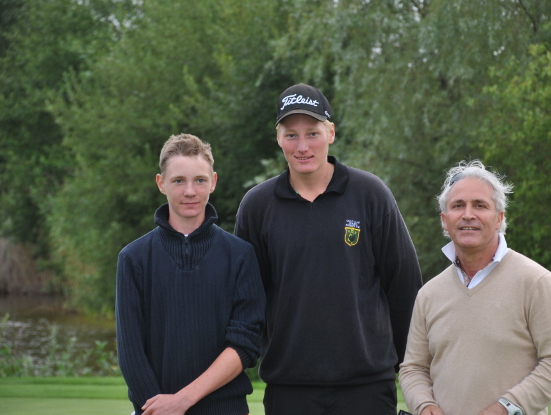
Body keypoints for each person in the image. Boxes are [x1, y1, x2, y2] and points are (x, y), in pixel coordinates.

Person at [235, 83, 423, 415]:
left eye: (313, 133)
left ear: (331, 132)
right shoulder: (257, 206)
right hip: (289, 388)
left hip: (367, 387)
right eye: (291, 135)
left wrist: (409, 368)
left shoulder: (370, 194)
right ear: (278, 138)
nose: (302, 146)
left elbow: (404, 287)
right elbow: (249, 298)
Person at [399, 160, 551, 415]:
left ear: (499, 218)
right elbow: (413, 368)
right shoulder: (429, 294)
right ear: (444, 220)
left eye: (480, 205)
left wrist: (506, 408)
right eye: (458, 206)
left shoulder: (537, 283)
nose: (468, 215)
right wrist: (424, 405)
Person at [116, 133, 266, 415]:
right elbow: (131, 352)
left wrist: (182, 401)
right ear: (161, 183)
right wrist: (161, 408)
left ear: (214, 182)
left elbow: (245, 345)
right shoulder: (133, 259)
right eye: (178, 181)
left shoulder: (240, 256)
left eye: (199, 180)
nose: (190, 191)